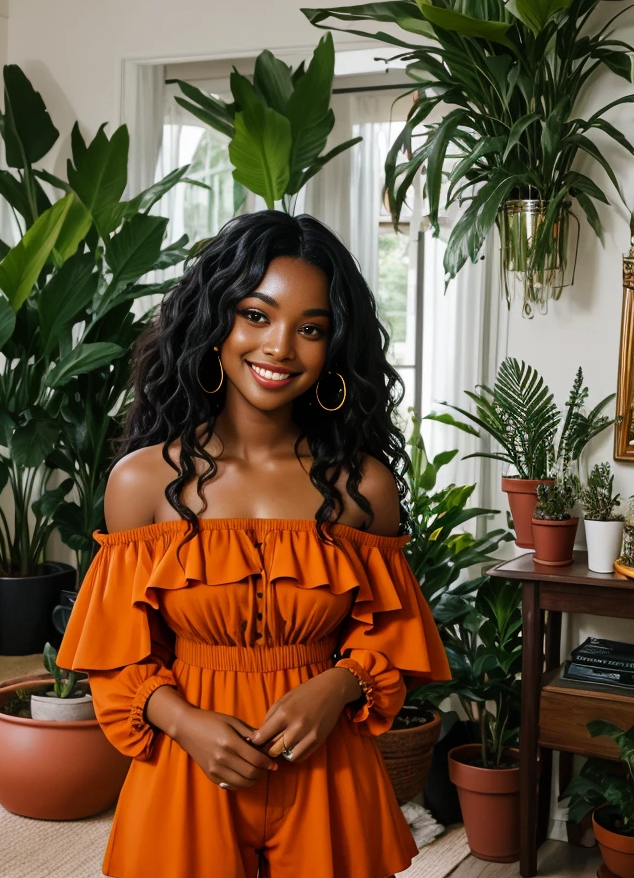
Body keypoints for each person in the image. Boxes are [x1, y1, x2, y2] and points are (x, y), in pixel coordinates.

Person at [56, 211, 451, 878]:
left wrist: (337, 685)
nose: (280, 348)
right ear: (216, 325)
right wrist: (183, 720)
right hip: (188, 768)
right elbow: (116, 651)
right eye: (257, 315)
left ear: (335, 347)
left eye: (311, 328)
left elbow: (391, 634)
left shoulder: (363, 487)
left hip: (327, 767)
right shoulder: (142, 483)